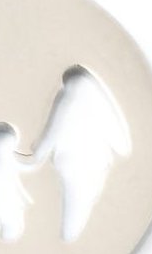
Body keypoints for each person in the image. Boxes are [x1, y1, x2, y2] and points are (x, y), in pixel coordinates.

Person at [32, 66, 131, 241]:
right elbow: (119, 141)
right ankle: (71, 234)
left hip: (69, 161)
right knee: (86, 197)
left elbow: (52, 132)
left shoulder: (66, 100)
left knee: (73, 198)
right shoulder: (100, 103)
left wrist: (38, 155)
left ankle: (70, 233)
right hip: (95, 161)